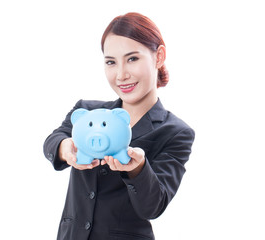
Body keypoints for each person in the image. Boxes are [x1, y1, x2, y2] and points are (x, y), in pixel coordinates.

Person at [43, 12, 195, 240]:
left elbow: (153, 207)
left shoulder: (175, 132)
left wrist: (137, 169)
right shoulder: (86, 111)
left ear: (159, 56)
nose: (121, 75)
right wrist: (65, 148)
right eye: (111, 62)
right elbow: (53, 141)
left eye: (132, 58)